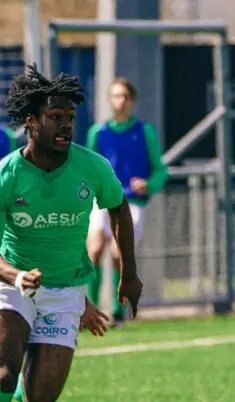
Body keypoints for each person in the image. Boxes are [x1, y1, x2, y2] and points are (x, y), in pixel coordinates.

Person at [0, 65, 143, 402]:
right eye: (55, 118)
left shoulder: (92, 167)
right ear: (31, 121)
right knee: (4, 377)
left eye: (70, 118)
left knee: (39, 400)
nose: (66, 125)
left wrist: (129, 274)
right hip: (12, 286)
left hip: (65, 290)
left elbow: (119, 209)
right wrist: (16, 276)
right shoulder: (4, 176)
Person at [85, 77, 168, 324]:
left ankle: (117, 310)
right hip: (102, 199)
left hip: (131, 201)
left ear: (132, 101)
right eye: (115, 96)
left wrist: (148, 184)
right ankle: (91, 310)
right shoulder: (98, 132)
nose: (120, 101)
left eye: (124, 96)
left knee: (117, 253)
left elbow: (160, 170)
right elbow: (88, 168)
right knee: (94, 250)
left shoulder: (144, 131)